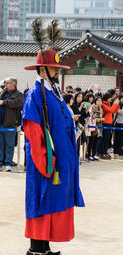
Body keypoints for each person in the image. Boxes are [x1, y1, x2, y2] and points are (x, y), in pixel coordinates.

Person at [22, 20, 85, 255]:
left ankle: (45, 248)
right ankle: (36, 249)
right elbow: (33, 131)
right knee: (41, 200)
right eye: (54, 68)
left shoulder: (55, 93)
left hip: (60, 159)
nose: (57, 72)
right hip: (45, 161)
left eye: (57, 68)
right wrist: (44, 160)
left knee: (53, 203)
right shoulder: (35, 94)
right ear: (42, 70)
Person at [0, 77, 24, 172]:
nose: (5, 85)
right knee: (0, 145)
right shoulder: (3, 93)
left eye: (7, 83)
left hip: (10, 124)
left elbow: (17, 103)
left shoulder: (19, 95)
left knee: (9, 145)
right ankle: (0, 164)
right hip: (0, 123)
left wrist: (4, 102)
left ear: (13, 84)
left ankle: (8, 164)